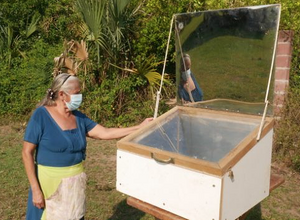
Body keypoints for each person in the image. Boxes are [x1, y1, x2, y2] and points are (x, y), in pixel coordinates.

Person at [22, 73, 153, 220]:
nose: (80, 96)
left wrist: (139, 127)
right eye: (76, 93)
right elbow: (27, 152)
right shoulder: (41, 115)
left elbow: (105, 132)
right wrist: (35, 189)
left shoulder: (78, 117)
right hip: (49, 185)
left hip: (74, 185)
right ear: (61, 94)